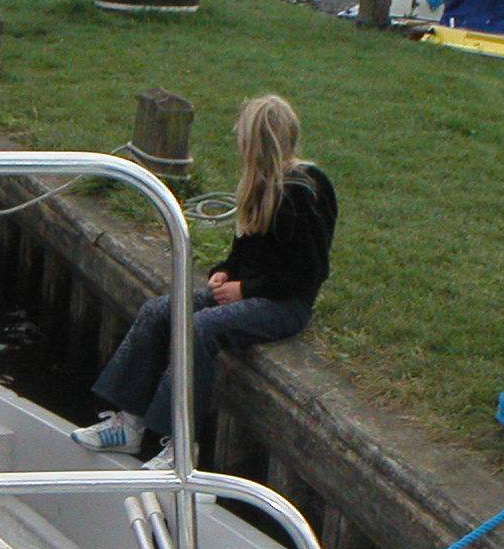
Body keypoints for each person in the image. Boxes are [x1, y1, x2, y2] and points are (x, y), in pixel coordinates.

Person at [71, 95, 337, 471]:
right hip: (251, 290)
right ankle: (129, 423)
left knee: (200, 329)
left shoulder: (302, 195)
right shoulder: (258, 187)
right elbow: (244, 250)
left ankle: (180, 443)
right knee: (158, 310)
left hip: (285, 305)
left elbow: (306, 274)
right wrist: (225, 271)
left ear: (255, 144)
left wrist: (245, 290)